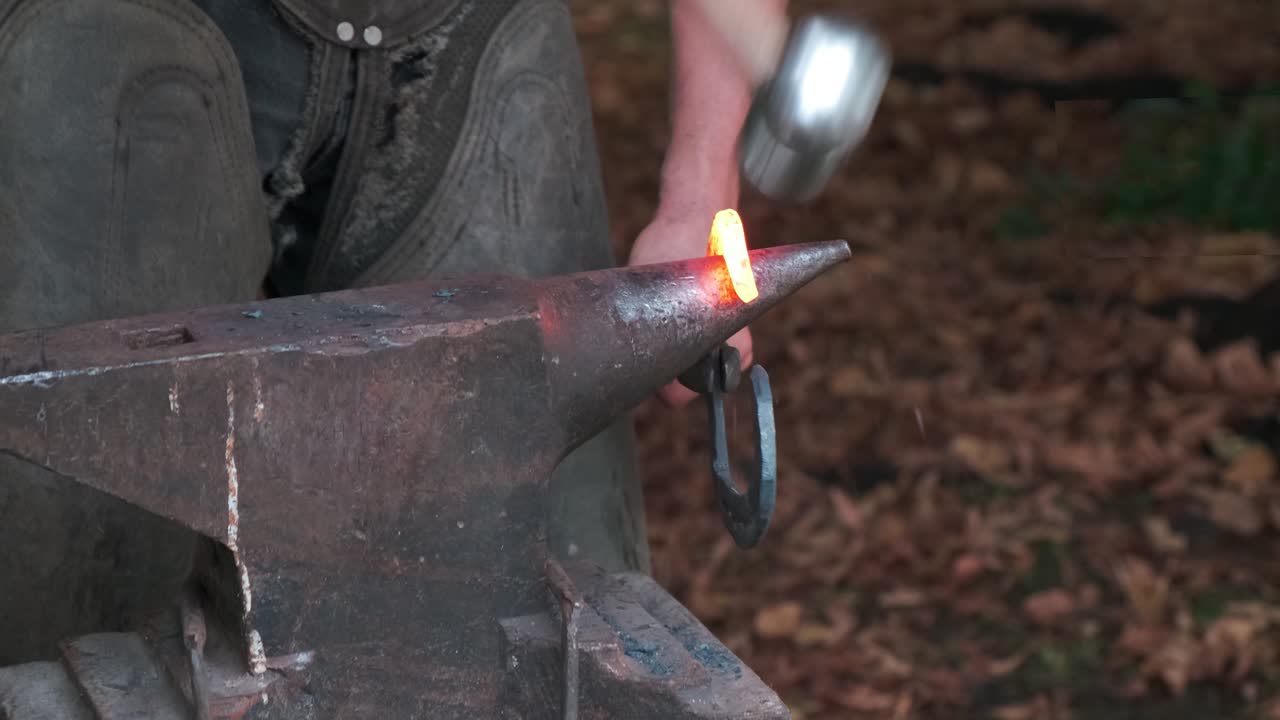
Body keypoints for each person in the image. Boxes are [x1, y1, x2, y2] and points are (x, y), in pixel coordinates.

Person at [0, 0, 778, 663]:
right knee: (78, 582)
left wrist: (699, 185)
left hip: (470, 40)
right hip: (125, 28)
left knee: (557, 602)